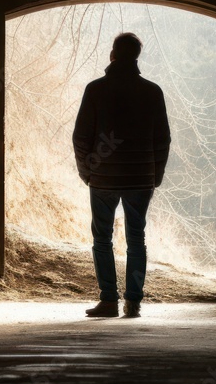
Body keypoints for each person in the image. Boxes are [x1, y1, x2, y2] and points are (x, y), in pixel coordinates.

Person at [72, 32, 171, 318]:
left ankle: (108, 301)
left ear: (112, 54)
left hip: (103, 176)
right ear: (137, 56)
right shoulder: (153, 92)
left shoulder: (96, 89)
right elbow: (162, 138)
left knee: (102, 239)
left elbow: (81, 136)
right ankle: (133, 303)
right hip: (141, 178)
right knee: (136, 239)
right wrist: (156, 175)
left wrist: (86, 171)